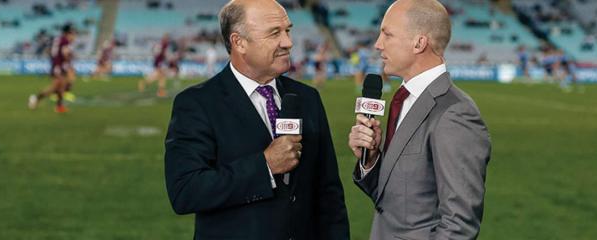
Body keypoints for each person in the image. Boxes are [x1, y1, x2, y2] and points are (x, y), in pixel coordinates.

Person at [164, 1, 349, 239]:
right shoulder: (197, 103)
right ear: (238, 42)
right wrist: (265, 166)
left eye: (288, 30)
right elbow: (185, 191)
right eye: (274, 33)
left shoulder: (307, 98)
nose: (288, 42)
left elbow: (329, 195)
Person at [347, 0, 491, 238]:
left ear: (419, 43)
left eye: (387, 34)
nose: (378, 44)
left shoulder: (455, 114)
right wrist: (370, 160)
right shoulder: (405, 98)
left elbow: (459, 226)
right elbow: (398, 201)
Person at [28, 24, 77, 113]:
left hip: (57, 64)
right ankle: (37, 98)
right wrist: (70, 60)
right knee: (57, 86)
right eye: (72, 33)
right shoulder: (65, 41)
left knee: (60, 86)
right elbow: (65, 53)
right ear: (68, 33)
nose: (74, 36)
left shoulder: (59, 39)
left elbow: (51, 51)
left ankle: (58, 106)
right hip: (59, 66)